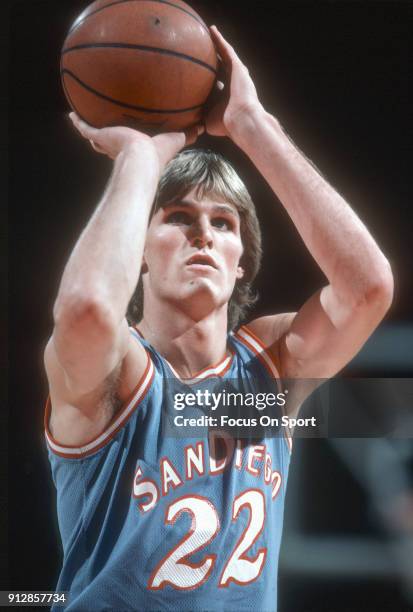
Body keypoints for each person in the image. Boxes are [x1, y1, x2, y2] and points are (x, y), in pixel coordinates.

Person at [44, 26, 393, 611]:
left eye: (224, 223)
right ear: (141, 253)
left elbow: (368, 287)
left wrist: (252, 124)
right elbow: (85, 309)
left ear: (241, 266)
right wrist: (140, 158)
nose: (204, 234)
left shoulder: (266, 377)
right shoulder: (120, 377)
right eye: (178, 218)